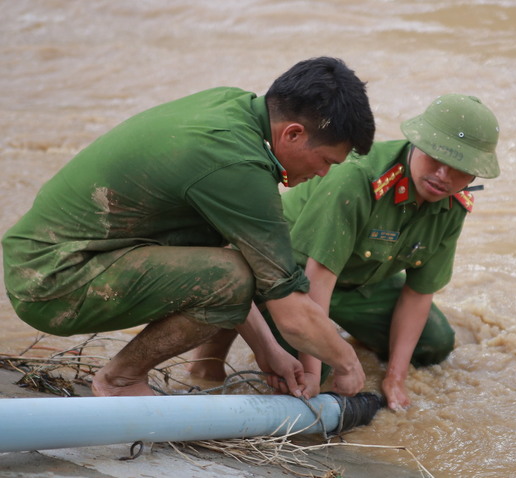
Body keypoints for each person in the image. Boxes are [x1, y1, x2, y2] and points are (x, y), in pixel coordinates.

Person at [2, 57, 375, 398]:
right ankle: (119, 379)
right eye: (326, 160)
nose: (324, 174)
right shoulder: (237, 164)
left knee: (234, 272)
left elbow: (228, 259)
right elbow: (288, 313)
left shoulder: (231, 108)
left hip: (44, 261)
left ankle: (131, 376)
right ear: (292, 134)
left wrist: (268, 351)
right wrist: (347, 363)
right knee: (235, 279)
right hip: (51, 282)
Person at [190, 94, 501, 410]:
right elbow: (317, 280)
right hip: (289, 276)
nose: (443, 177)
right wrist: (315, 373)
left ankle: (349, 336)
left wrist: (395, 378)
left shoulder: (453, 202)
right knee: (314, 370)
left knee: (434, 344)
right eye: (436, 159)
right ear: (416, 145)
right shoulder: (357, 178)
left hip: (358, 285)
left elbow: (419, 293)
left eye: (459, 169)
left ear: (474, 175)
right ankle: (214, 354)